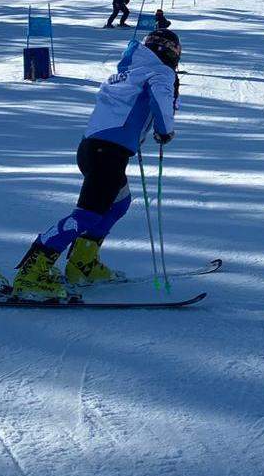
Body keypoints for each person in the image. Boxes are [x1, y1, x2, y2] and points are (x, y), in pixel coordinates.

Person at [9, 29, 180, 300]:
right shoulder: (161, 72)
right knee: (86, 215)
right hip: (108, 153)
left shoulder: (129, 70)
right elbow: (160, 99)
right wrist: (165, 130)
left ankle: (82, 263)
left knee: (119, 203)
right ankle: (32, 272)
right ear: (172, 53)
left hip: (93, 149)